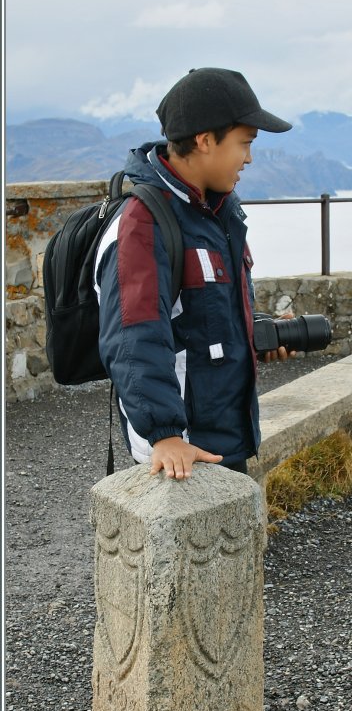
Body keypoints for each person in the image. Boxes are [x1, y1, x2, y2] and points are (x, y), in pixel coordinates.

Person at [95, 67, 293, 480]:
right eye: (245, 143)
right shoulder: (144, 223)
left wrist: (258, 331)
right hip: (179, 450)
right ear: (205, 140)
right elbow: (133, 336)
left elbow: (201, 312)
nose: (249, 158)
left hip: (223, 436)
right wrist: (165, 434)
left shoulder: (217, 211)